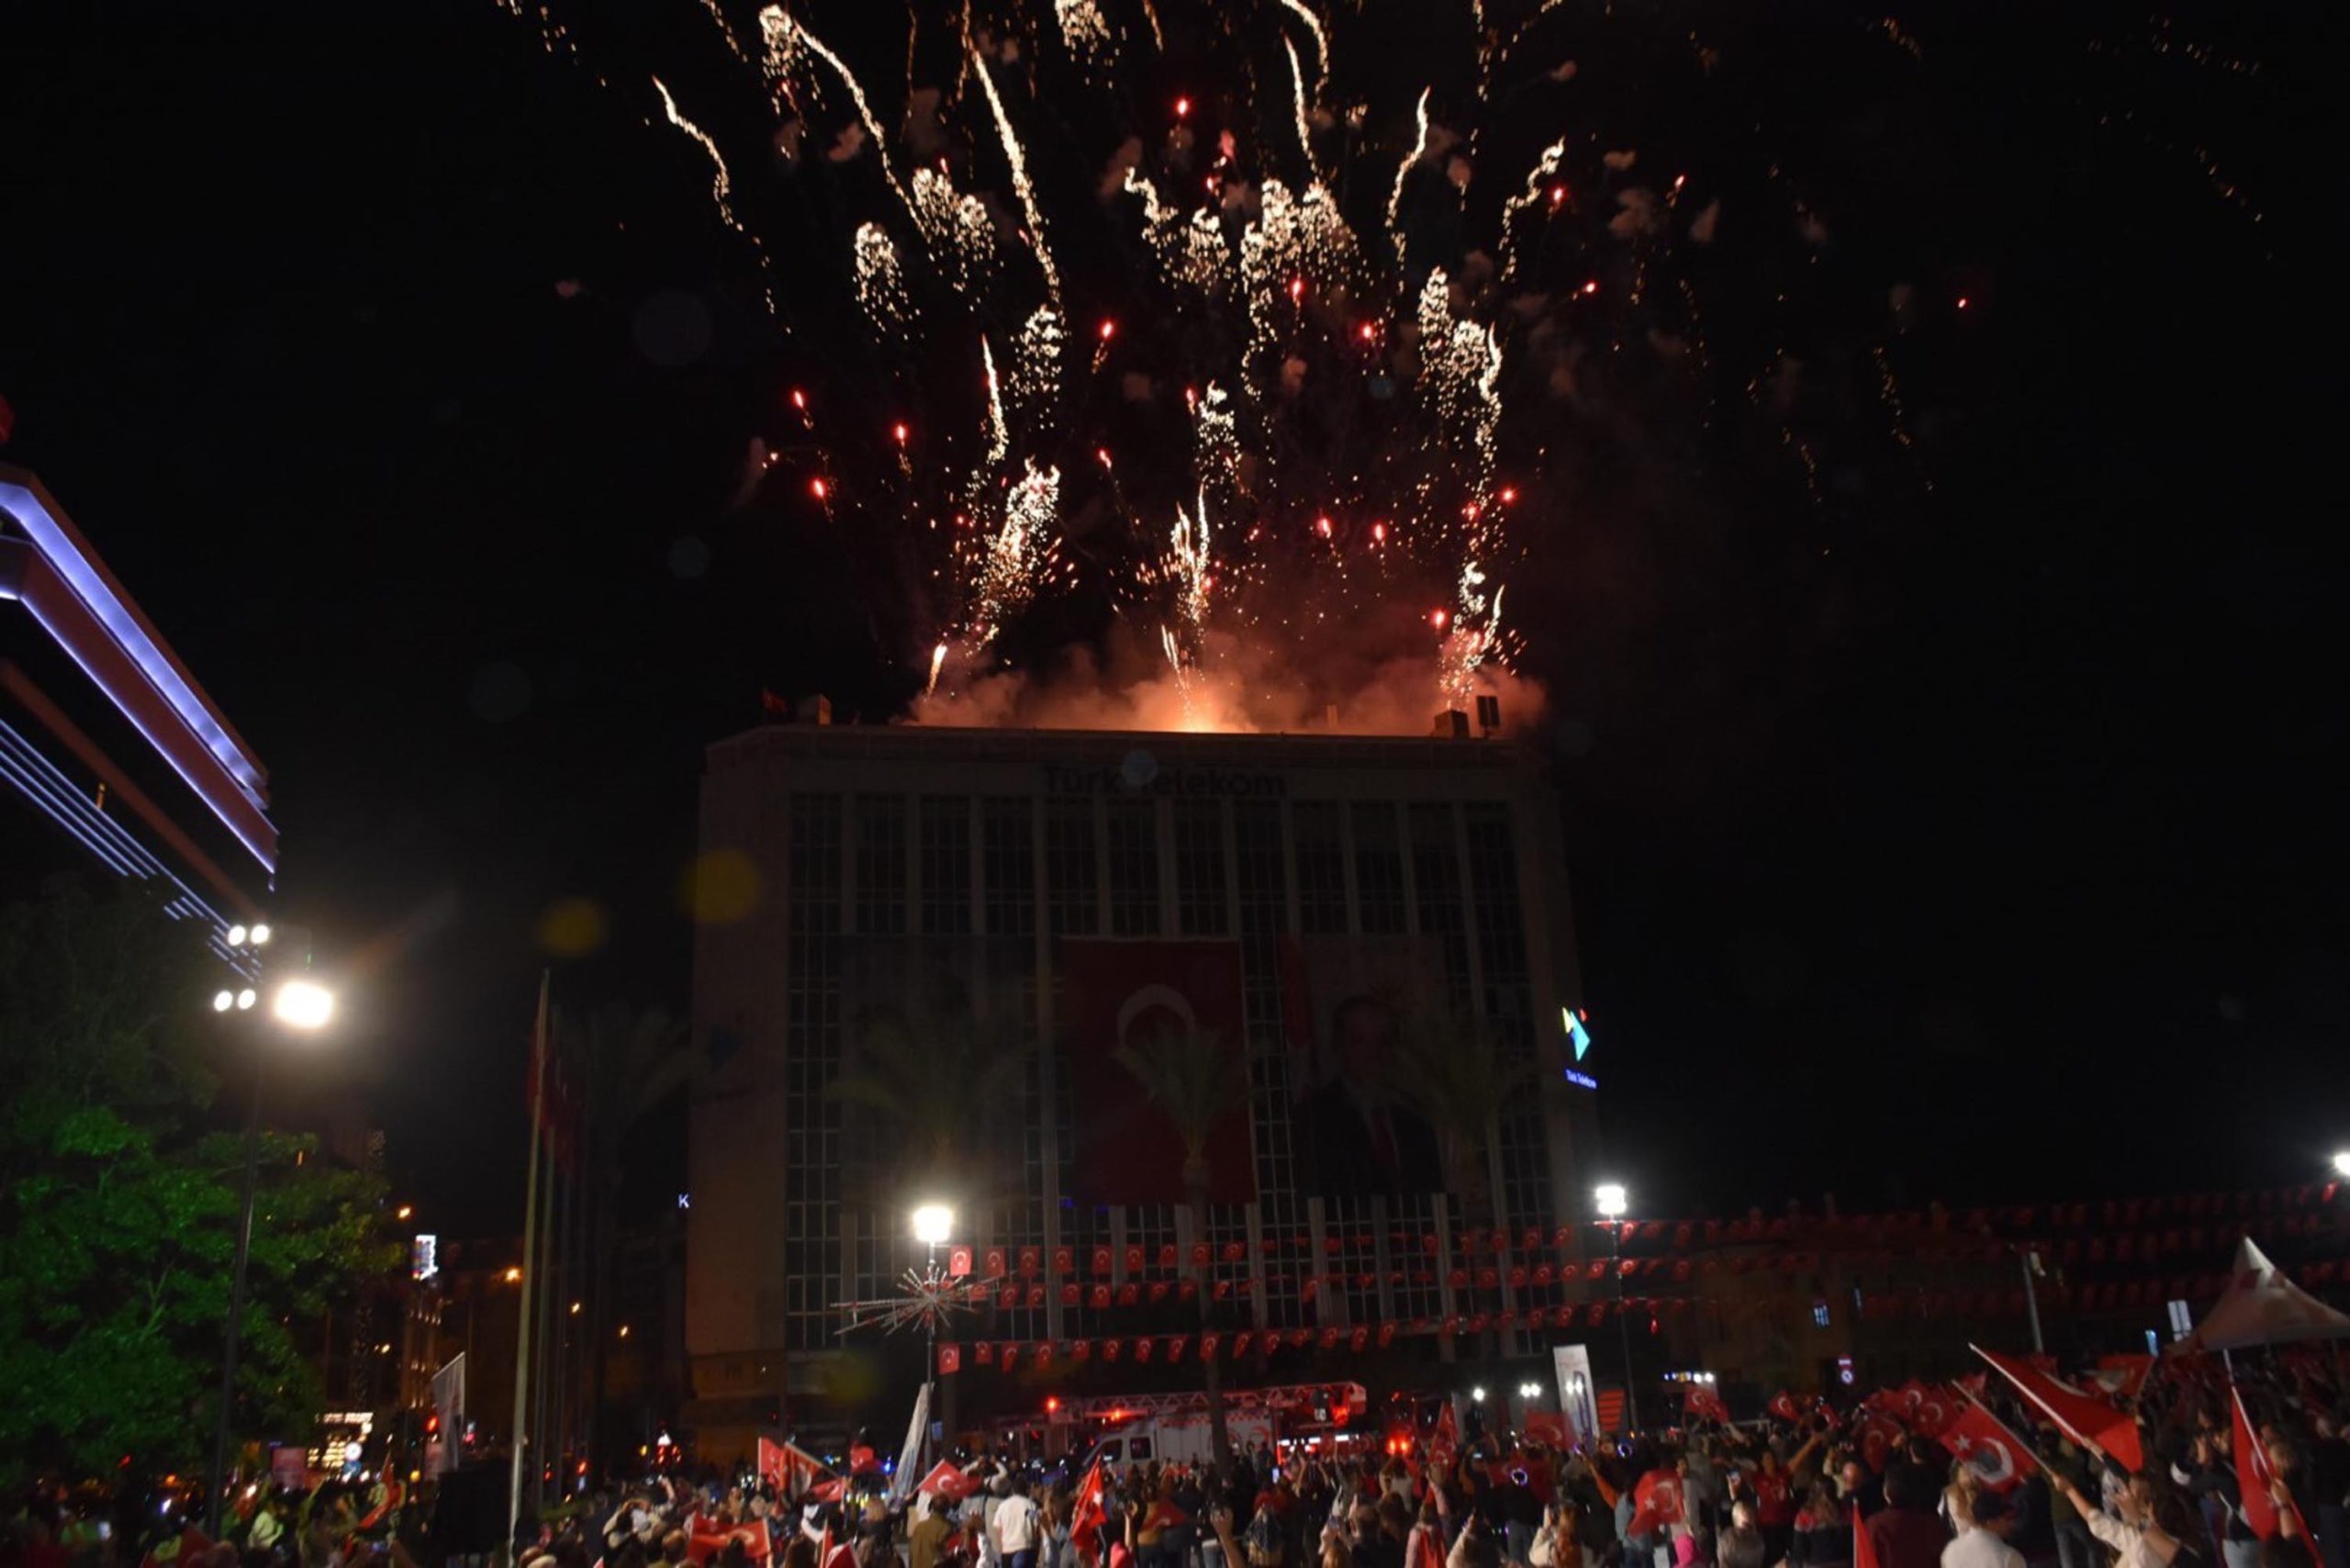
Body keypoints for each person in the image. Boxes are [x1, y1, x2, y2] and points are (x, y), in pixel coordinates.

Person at [1941, 1492, 2022, 1568]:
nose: (2012, 1524)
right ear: (1991, 1521)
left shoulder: (1950, 1551)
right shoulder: (2009, 1557)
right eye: (2008, 1518)